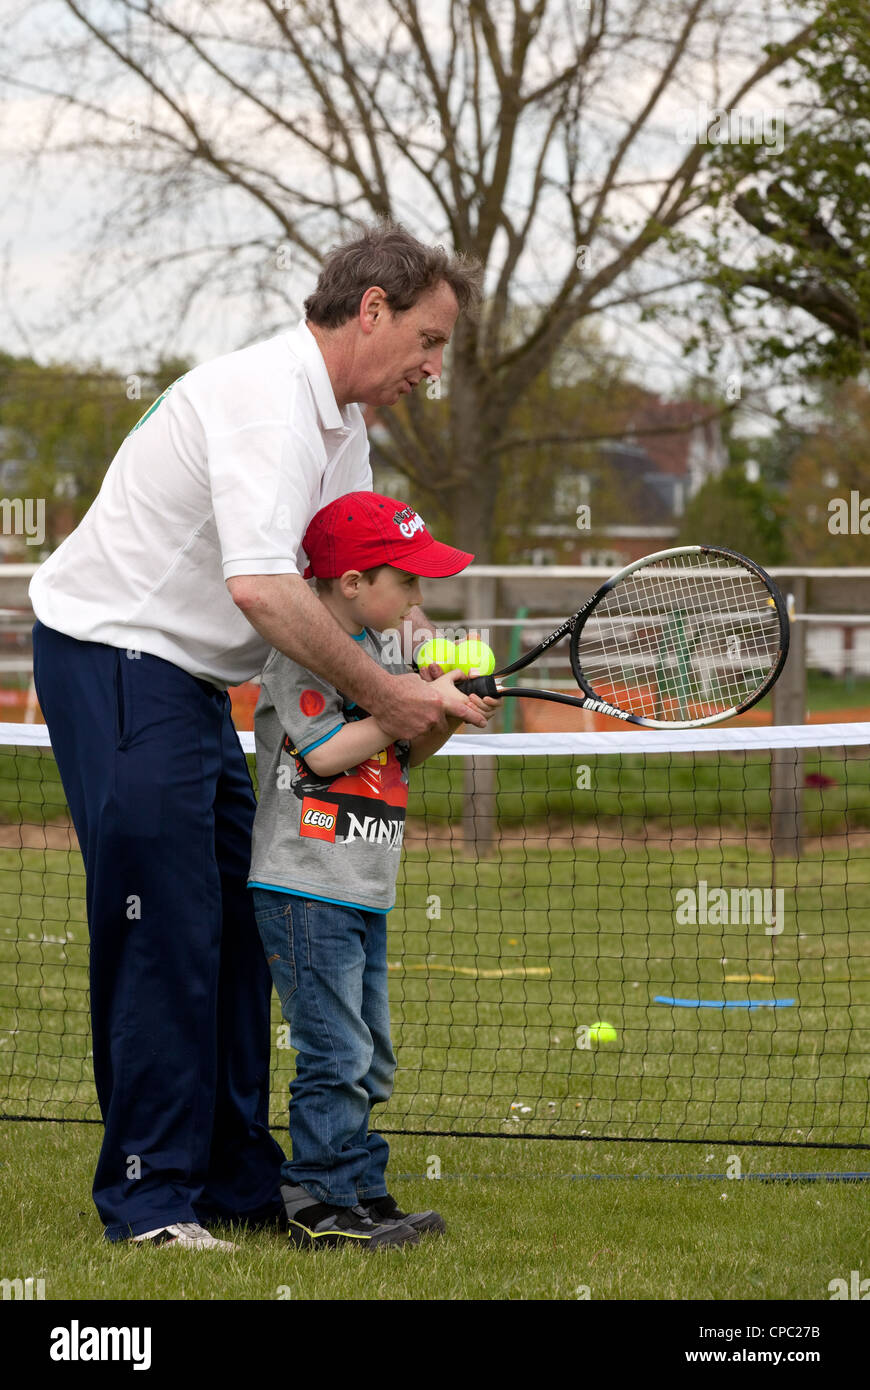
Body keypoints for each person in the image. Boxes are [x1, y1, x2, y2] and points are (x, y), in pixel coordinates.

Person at [29, 222, 486, 1246]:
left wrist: (428, 675)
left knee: (241, 930)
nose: (431, 365)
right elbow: (267, 591)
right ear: (372, 310)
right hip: (113, 658)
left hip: (187, 684)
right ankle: (149, 1200)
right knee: (165, 933)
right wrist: (390, 696)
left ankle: (239, 1187)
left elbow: (351, 593)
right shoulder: (263, 402)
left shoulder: (342, 431)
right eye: (428, 337)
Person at [249, 491, 499, 1249]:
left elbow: (404, 752)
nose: (419, 600)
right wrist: (404, 704)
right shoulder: (304, 653)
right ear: (353, 581)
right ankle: (319, 1202)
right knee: (337, 1049)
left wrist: (443, 716)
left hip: (362, 886)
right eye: (407, 581)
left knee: (371, 1052)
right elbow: (323, 754)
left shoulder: (387, 660)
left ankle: (360, 1186)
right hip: (304, 884)